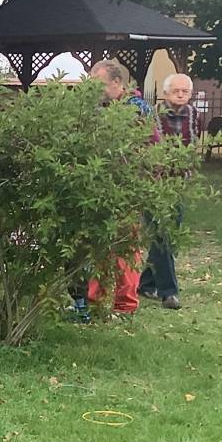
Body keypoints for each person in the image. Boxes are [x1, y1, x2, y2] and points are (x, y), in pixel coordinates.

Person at [83, 59, 148, 318]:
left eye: (99, 85)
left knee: (125, 246)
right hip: (100, 187)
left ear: (117, 82)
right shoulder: (96, 109)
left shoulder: (137, 109)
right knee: (99, 244)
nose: (95, 91)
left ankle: (125, 305)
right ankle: (95, 301)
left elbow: (147, 148)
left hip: (129, 187)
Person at [142, 72, 199, 310]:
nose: (180, 95)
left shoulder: (193, 114)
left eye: (185, 91)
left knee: (169, 235)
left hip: (178, 182)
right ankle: (169, 293)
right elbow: (153, 146)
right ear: (165, 93)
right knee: (162, 234)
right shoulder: (153, 114)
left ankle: (145, 283)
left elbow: (193, 144)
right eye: (176, 91)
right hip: (155, 182)